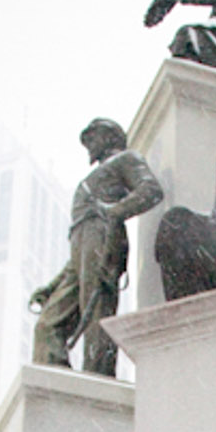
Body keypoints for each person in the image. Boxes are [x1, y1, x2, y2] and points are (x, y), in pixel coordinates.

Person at [29, 119, 163, 377]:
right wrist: (53, 285)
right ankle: (58, 388)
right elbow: (77, 257)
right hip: (82, 242)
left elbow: (151, 190)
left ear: (110, 137)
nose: (88, 144)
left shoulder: (126, 159)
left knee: (97, 316)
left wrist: (114, 212)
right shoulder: (94, 176)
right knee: (47, 324)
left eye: (93, 138)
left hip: (103, 236)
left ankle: (98, 380)